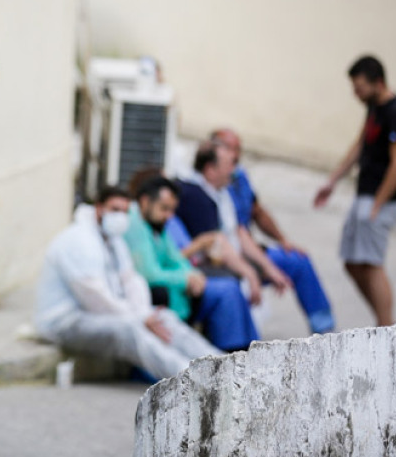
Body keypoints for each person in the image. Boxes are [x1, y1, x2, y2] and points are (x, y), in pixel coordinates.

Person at [35, 187, 221, 380]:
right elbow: (96, 300)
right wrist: (140, 318)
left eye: (124, 212)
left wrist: (146, 314)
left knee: (163, 317)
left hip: (103, 315)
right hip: (66, 322)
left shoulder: (114, 241)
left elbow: (131, 281)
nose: (120, 216)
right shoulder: (78, 241)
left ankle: (222, 366)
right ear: (99, 208)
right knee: (130, 330)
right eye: (114, 209)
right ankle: (194, 381)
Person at [314, 56, 396, 327]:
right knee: (352, 262)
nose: (355, 93)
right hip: (364, 196)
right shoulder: (374, 108)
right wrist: (332, 181)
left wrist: (378, 204)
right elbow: (360, 145)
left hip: (380, 201)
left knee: (371, 263)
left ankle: (386, 328)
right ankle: (387, 322)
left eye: (359, 87)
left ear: (378, 83)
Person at [213, 129, 335, 334]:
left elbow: (256, 212)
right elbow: (232, 234)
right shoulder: (212, 182)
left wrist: (283, 240)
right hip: (229, 255)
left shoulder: (239, 175)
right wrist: (263, 267)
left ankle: (325, 333)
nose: (233, 155)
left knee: (299, 261)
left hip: (251, 249)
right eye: (227, 149)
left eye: (237, 149)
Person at [125, 176, 259, 352]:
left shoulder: (155, 223)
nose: (169, 216)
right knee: (225, 292)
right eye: (164, 209)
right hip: (158, 295)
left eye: (171, 210)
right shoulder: (135, 225)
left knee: (229, 287)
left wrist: (193, 276)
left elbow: (175, 258)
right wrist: (186, 279)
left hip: (179, 291)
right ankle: (231, 355)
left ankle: (247, 351)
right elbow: (148, 273)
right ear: (144, 201)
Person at [174, 141, 293, 307]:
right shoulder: (195, 196)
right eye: (229, 165)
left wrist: (269, 268)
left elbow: (238, 232)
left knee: (293, 260)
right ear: (210, 169)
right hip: (208, 265)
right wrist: (250, 273)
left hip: (232, 257)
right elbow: (215, 246)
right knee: (232, 287)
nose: (234, 171)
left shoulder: (221, 191)